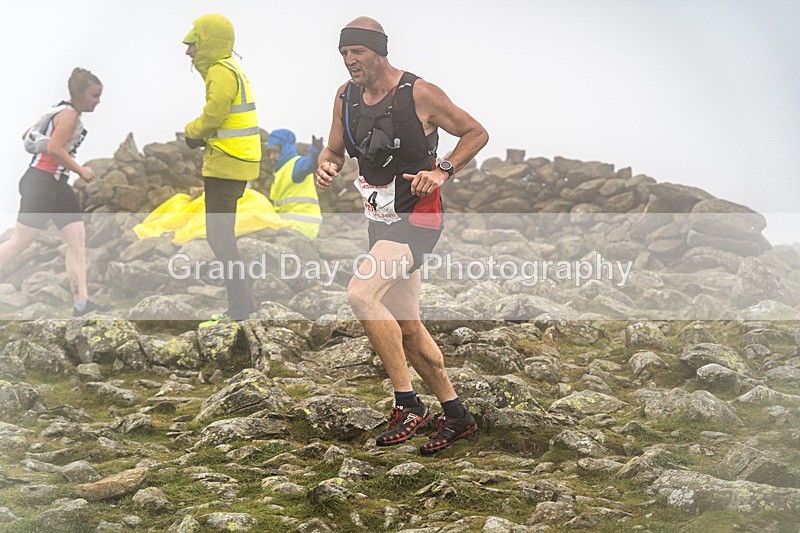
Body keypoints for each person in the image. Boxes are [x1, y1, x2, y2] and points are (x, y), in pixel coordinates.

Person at [316, 17, 489, 455]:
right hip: (380, 222)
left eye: (356, 52)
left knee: (360, 294)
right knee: (408, 328)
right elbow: (334, 148)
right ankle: (456, 416)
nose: (349, 60)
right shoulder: (345, 96)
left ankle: (407, 404)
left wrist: (441, 170)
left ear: (378, 51)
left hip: (419, 220)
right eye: (343, 53)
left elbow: (476, 132)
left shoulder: (419, 94)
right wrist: (328, 165)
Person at [0, 68, 110, 318]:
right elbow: (54, 148)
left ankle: (82, 303)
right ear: (81, 93)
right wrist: (80, 170)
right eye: (95, 95)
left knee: (77, 239)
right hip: (41, 182)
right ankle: (81, 302)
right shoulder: (68, 115)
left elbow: (27, 134)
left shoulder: (57, 109)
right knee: (19, 242)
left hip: (57, 184)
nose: (98, 101)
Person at [182, 14, 261, 323]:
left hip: (228, 163)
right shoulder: (229, 69)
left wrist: (192, 131)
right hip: (233, 160)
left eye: (193, 44)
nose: (188, 51)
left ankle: (240, 308)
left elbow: (214, 114)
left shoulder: (220, 70)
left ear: (208, 43)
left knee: (219, 236)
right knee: (221, 235)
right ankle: (243, 305)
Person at [266, 129, 323, 239]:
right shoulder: (280, 171)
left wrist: (316, 151)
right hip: (289, 224)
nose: (272, 156)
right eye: (270, 152)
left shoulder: (296, 166)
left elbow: (310, 164)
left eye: (275, 151)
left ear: (285, 149)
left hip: (302, 226)